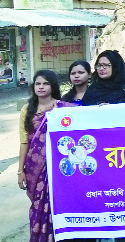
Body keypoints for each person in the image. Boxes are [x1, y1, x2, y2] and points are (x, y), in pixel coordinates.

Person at [18, 70, 77, 242]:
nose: (41, 87)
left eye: (45, 83)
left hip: (57, 167)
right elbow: (24, 142)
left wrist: (102, 109)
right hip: (34, 167)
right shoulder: (27, 110)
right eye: (38, 84)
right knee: (38, 207)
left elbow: (86, 119)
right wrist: (20, 170)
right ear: (33, 87)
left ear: (52, 86)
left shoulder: (63, 108)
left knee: (56, 205)